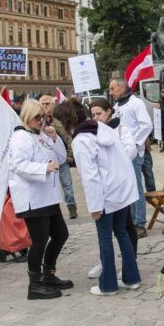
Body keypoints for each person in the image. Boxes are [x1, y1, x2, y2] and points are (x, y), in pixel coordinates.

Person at [61, 98, 141, 296]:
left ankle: (108, 285)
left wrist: (95, 206)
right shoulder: (101, 128)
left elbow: (90, 177)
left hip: (105, 193)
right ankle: (131, 278)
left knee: (105, 237)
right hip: (121, 189)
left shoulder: (81, 140)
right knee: (122, 232)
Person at [8, 99, 71, 300]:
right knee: (39, 240)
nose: (41, 120)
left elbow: (61, 158)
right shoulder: (20, 137)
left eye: (43, 116)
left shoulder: (40, 135)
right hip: (33, 198)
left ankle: (48, 273)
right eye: (37, 117)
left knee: (61, 234)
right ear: (27, 117)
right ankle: (34, 285)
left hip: (48, 196)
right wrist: (43, 168)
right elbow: (18, 165)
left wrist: (55, 138)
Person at [84, 98, 140, 279]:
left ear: (109, 112)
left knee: (125, 227)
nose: (96, 118)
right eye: (92, 115)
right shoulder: (93, 133)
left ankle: (129, 262)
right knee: (108, 231)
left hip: (122, 186)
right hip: (107, 187)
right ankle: (105, 261)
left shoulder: (122, 130)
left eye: (99, 113)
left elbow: (129, 152)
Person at [109, 78, 153, 237]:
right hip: (122, 154)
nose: (111, 91)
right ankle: (132, 220)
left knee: (136, 188)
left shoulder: (136, 103)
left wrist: (134, 144)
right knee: (128, 188)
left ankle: (140, 224)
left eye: (113, 88)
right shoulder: (115, 107)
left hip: (134, 152)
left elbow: (146, 125)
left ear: (122, 88)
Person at [39, 95, 78, 220]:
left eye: (47, 103)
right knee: (51, 186)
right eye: (43, 104)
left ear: (53, 105)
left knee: (67, 185)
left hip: (62, 159)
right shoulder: (38, 121)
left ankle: (72, 207)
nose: (45, 106)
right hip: (48, 162)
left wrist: (70, 155)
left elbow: (68, 137)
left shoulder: (59, 120)